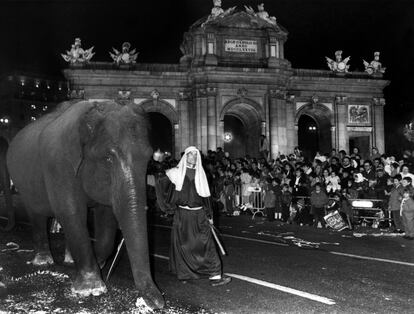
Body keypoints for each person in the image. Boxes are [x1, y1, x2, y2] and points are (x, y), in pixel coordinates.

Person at [157, 146, 231, 286]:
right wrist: (168, 207)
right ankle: (186, 273)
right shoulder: (175, 172)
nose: (193, 157)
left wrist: (210, 215)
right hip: (182, 214)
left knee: (207, 244)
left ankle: (215, 275)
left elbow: (206, 197)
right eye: (190, 154)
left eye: (195, 155)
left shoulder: (201, 174)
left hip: (199, 214)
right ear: (186, 156)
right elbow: (160, 184)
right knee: (184, 245)